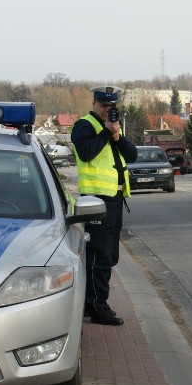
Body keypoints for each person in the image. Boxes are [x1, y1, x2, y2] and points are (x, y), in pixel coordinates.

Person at [70, 86, 137, 326]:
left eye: (111, 106)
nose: (108, 109)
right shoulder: (84, 125)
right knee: (100, 256)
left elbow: (132, 155)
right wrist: (107, 133)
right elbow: (87, 153)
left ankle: (91, 303)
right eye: (104, 105)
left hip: (114, 200)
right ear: (95, 103)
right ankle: (98, 306)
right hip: (96, 200)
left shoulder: (112, 129)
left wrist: (117, 136)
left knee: (108, 255)